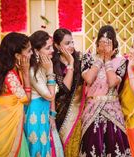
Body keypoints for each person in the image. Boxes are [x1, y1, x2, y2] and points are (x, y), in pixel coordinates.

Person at [79, 25, 131, 156]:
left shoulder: (121, 62)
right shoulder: (88, 58)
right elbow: (89, 79)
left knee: (114, 147)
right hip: (92, 110)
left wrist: (107, 60)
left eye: (108, 42)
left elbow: (113, 82)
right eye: (102, 41)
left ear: (114, 44)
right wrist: (99, 60)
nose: (104, 46)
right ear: (97, 43)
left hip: (112, 110)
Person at [0, 32, 32, 157]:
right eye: (28, 51)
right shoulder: (10, 75)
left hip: (7, 119)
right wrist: (26, 73)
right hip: (8, 124)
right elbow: (26, 99)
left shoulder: (11, 69)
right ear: (17, 55)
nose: (31, 54)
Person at [24, 30, 63, 157]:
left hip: (45, 111)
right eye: (48, 48)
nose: (52, 50)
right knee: (37, 149)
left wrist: (52, 114)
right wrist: (50, 71)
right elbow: (50, 95)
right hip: (35, 113)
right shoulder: (32, 71)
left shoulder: (43, 66)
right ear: (36, 51)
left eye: (51, 46)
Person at [52, 28, 83, 157]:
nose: (71, 46)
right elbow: (65, 88)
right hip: (62, 109)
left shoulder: (80, 58)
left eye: (72, 42)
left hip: (79, 108)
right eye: (67, 43)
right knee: (64, 143)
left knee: (77, 144)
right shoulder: (54, 63)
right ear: (57, 45)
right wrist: (70, 63)